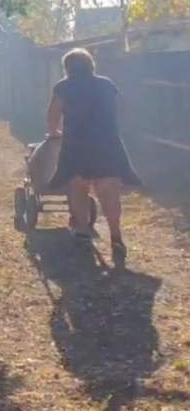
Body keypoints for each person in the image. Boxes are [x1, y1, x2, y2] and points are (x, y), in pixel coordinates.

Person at [46, 47, 141, 263]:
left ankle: (81, 229)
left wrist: (53, 132)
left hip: (76, 145)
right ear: (91, 65)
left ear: (67, 68)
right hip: (107, 143)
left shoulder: (63, 87)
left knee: (79, 186)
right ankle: (116, 237)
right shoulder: (106, 84)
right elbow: (124, 109)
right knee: (109, 191)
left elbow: (53, 114)